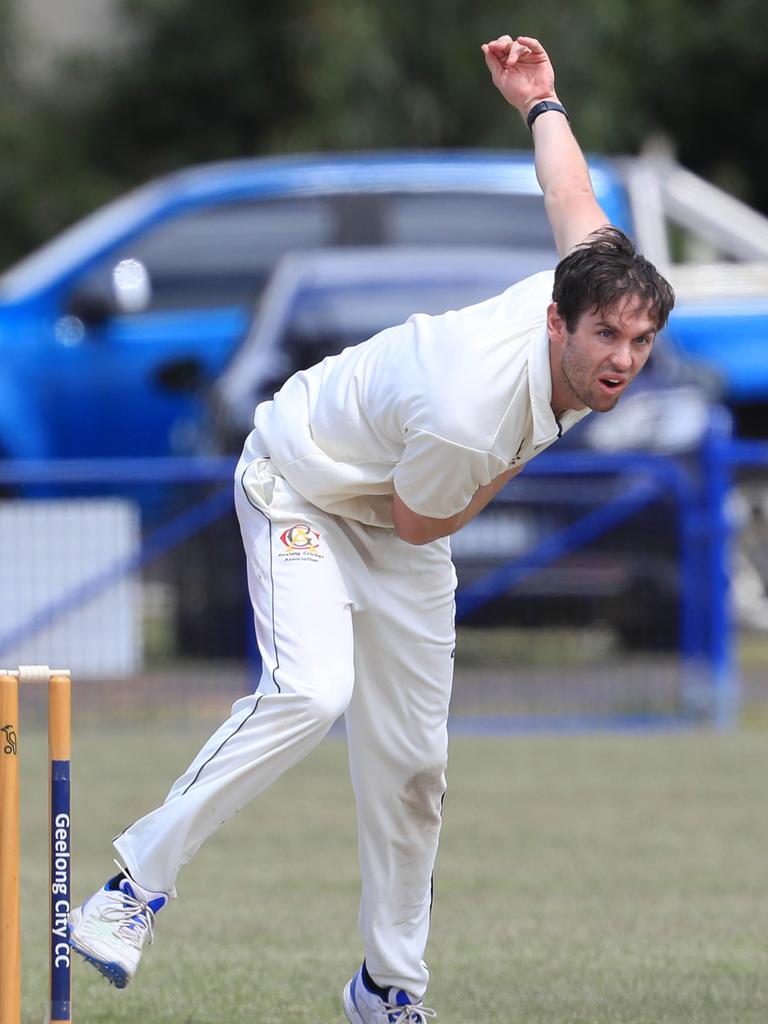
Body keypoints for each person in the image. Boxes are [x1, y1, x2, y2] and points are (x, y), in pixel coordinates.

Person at [68, 34, 674, 1023]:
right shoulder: (473, 409)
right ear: (558, 325)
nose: (623, 358)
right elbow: (418, 512)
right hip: (303, 480)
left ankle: (387, 987)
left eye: (640, 342)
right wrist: (518, 457)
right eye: (605, 337)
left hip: (401, 514)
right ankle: (129, 888)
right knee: (311, 691)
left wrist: (541, 100)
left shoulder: (590, 275)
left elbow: (569, 194)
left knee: (414, 769)